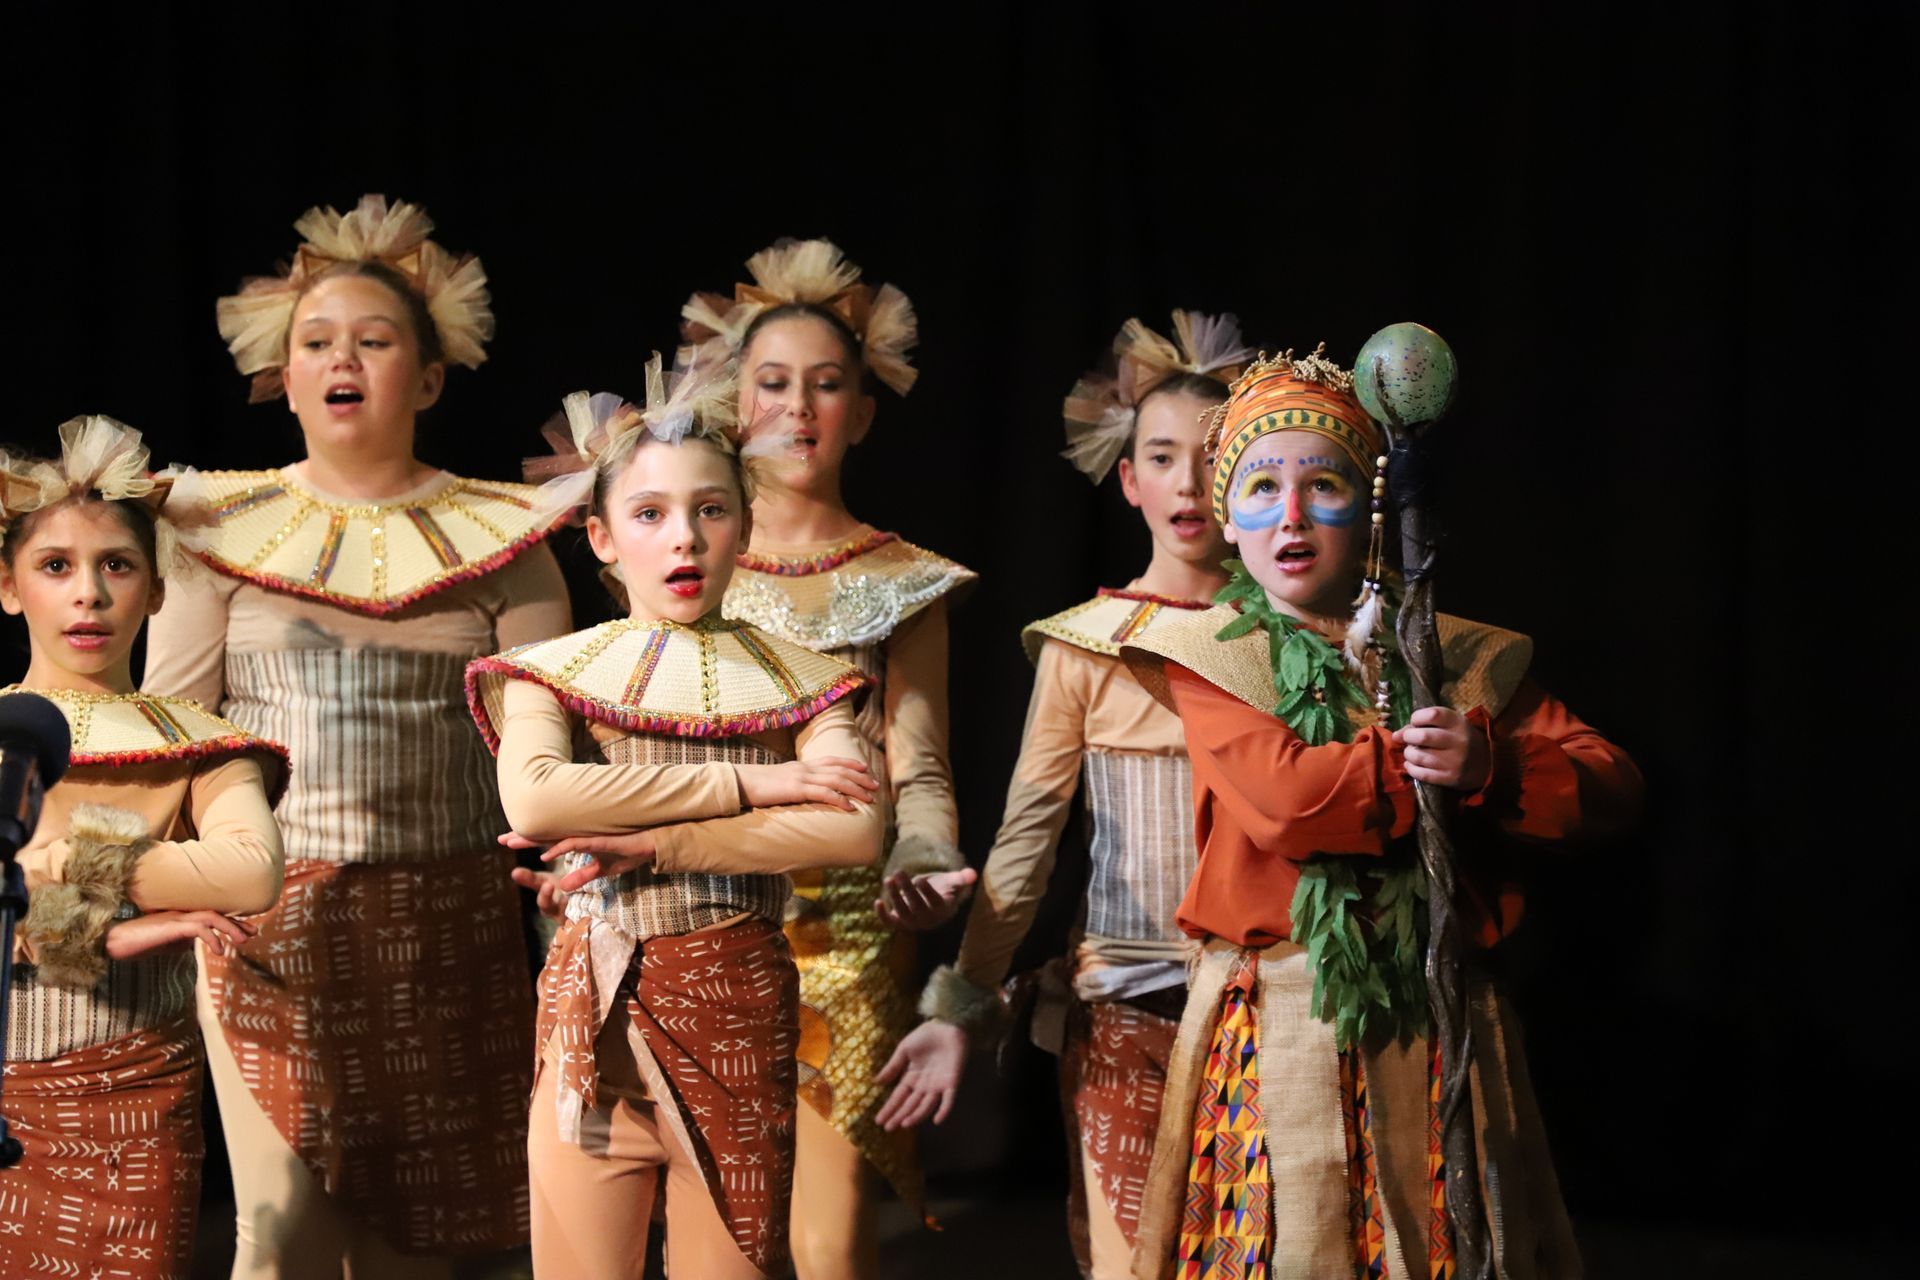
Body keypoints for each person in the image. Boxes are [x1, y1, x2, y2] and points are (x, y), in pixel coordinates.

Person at [1118, 345, 1644, 1278]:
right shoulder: (1208, 657)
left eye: (1320, 485)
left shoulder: (1458, 655)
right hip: (1281, 1009)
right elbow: (1290, 803)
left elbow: (1606, 781)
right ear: (1229, 523)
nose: (1289, 515)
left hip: (1439, 1011)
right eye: (1261, 488)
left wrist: (1494, 761)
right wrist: (1424, 771)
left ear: (1366, 512)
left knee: (1448, 1244)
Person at [143, 195, 572, 1277]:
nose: (344, 361)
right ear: (282, 376)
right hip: (272, 922)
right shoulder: (213, 532)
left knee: (426, 1245)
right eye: (317, 343)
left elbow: (549, 751)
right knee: (280, 1238)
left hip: (450, 923)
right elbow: (172, 738)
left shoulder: (506, 541)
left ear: (427, 378)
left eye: (375, 342)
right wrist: (168, 882)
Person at [470, 360, 884, 1279]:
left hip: (736, 1022)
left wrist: (656, 843)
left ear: (746, 521)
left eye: (712, 510)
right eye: (650, 514)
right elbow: (536, 796)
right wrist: (755, 787)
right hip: (593, 1041)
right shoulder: (547, 671)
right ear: (602, 538)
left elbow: (854, 830)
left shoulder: (804, 680)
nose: (684, 540)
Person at [876, 311, 1253, 1278]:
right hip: (1131, 1001)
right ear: (1129, 480)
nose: (1191, 482)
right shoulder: (1086, 643)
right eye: (1163, 458)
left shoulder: (1296, 639)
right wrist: (960, 1009)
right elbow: (1027, 842)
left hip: (1275, 1004)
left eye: (1216, 456)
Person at [685, 238, 974, 1276]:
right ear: (734, 400)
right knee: (710, 1197)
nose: (799, 411)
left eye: (825, 385)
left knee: (833, 1200)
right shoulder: (681, 557)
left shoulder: (903, 580)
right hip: (700, 904)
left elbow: (922, 765)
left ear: (861, 408)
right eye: (772, 385)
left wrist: (924, 855)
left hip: (847, 921)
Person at [0, 416, 286, 1280]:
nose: (88, 593)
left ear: (157, 591)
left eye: (116, 565)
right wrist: (109, 924)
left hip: (133, 1100)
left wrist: (37, 869)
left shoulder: (202, 743)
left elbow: (250, 869)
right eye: (56, 567)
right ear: (9, 588)